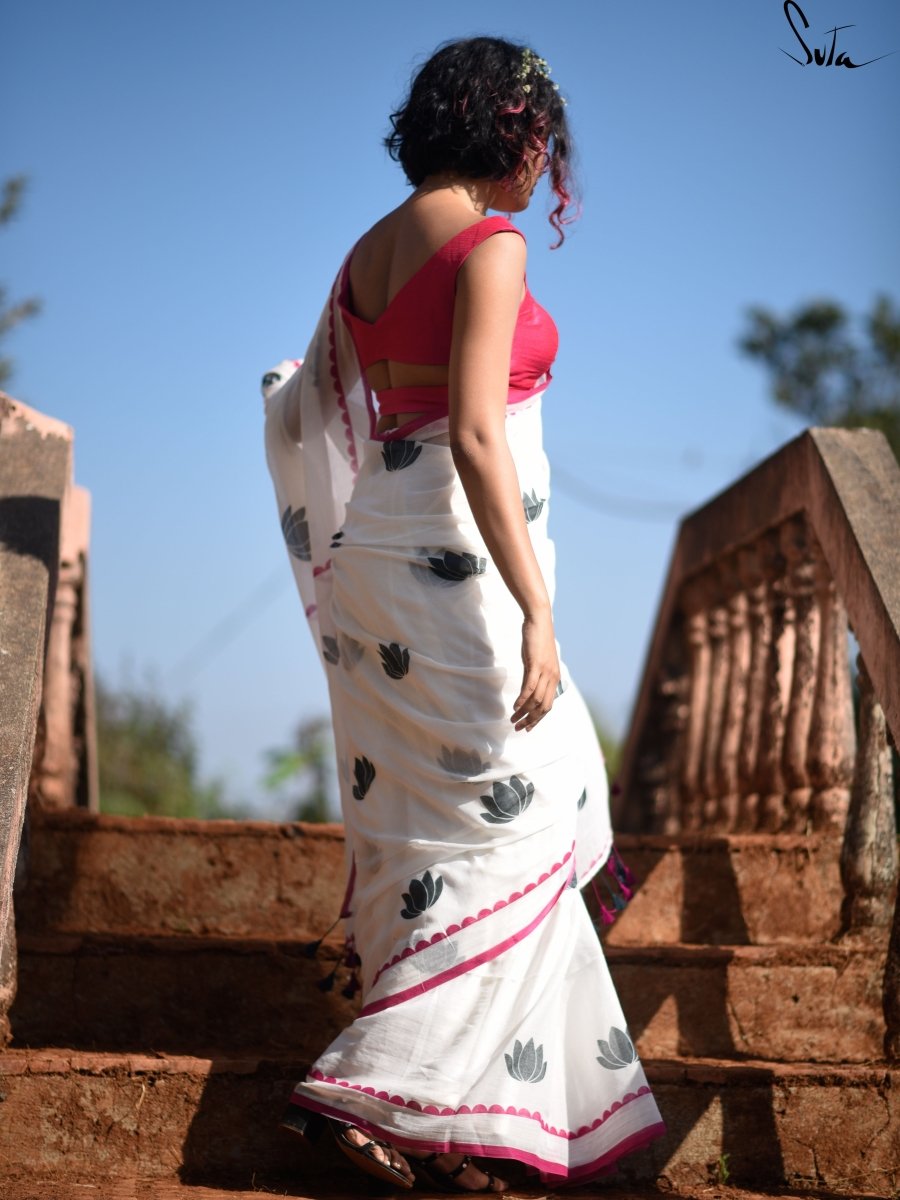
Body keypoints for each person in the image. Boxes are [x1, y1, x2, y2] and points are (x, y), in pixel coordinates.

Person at [264, 35, 666, 1193]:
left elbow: (315, 415)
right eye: (542, 138)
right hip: (460, 569)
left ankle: (467, 1122)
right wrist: (538, 611)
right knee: (520, 831)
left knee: (455, 842)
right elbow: (479, 433)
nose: (546, 166)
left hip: (379, 567)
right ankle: (371, 1093)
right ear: (513, 133)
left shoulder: (365, 254)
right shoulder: (491, 248)